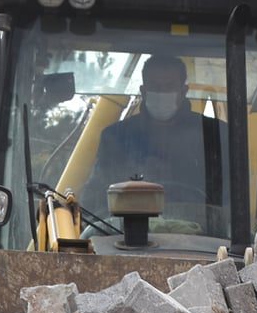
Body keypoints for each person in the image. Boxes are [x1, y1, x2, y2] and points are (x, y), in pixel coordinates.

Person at [84, 54, 223, 231]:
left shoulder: (215, 136)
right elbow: (94, 200)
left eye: (169, 87)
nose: (162, 92)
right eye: (156, 87)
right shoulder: (115, 137)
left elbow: (228, 203)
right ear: (143, 91)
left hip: (203, 241)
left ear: (183, 91)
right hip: (124, 238)